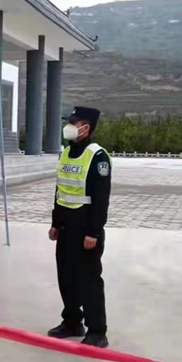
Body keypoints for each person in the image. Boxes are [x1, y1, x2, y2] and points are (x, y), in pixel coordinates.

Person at [48, 106, 111, 348]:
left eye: (74, 123)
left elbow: (101, 199)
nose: (69, 127)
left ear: (86, 127)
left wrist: (93, 232)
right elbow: (60, 190)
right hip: (66, 225)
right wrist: (55, 223)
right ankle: (72, 321)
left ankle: (97, 331)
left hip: (85, 227)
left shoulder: (98, 156)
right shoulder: (65, 153)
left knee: (89, 279)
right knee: (66, 276)